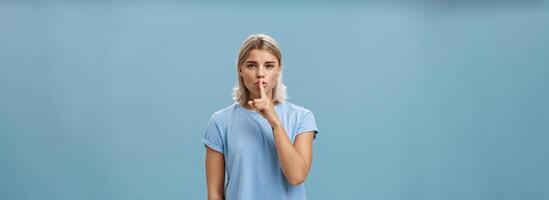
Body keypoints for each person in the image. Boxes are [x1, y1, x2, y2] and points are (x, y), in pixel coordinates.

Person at [203, 33, 319, 200]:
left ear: (278, 70)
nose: (260, 73)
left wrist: (275, 123)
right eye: (251, 65)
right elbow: (214, 194)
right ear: (240, 69)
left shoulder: (302, 117)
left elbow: (296, 176)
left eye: (269, 66)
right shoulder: (220, 122)